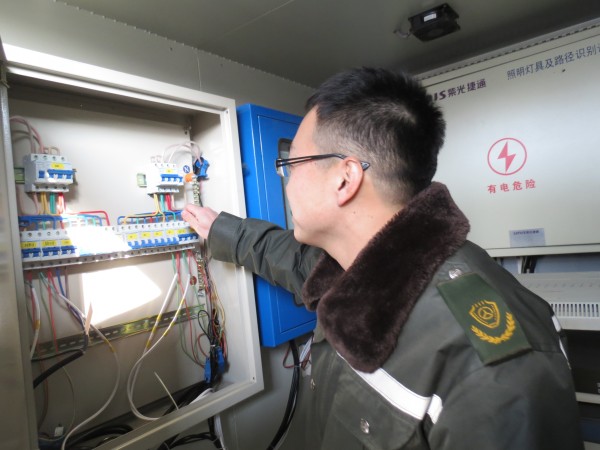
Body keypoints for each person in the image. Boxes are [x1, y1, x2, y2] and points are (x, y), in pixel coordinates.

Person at [182, 67, 582, 449]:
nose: (286, 181)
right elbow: (293, 258)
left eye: (291, 164)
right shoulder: (363, 267)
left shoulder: (489, 364)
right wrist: (220, 229)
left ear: (345, 178)